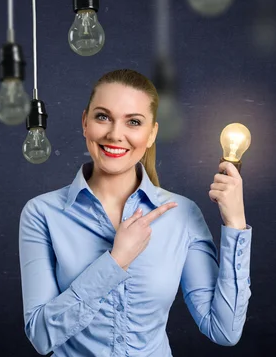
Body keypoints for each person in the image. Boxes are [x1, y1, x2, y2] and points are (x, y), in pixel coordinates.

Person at [19, 69, 252, 356]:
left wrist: (235, 224)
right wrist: (116, 262)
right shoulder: (42, 213)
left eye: (133, 122)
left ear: (152, 133)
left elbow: (224, 330)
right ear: (85, 123)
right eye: (103, 117)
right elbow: (41, 336)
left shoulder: (182, 216)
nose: (115, 134)